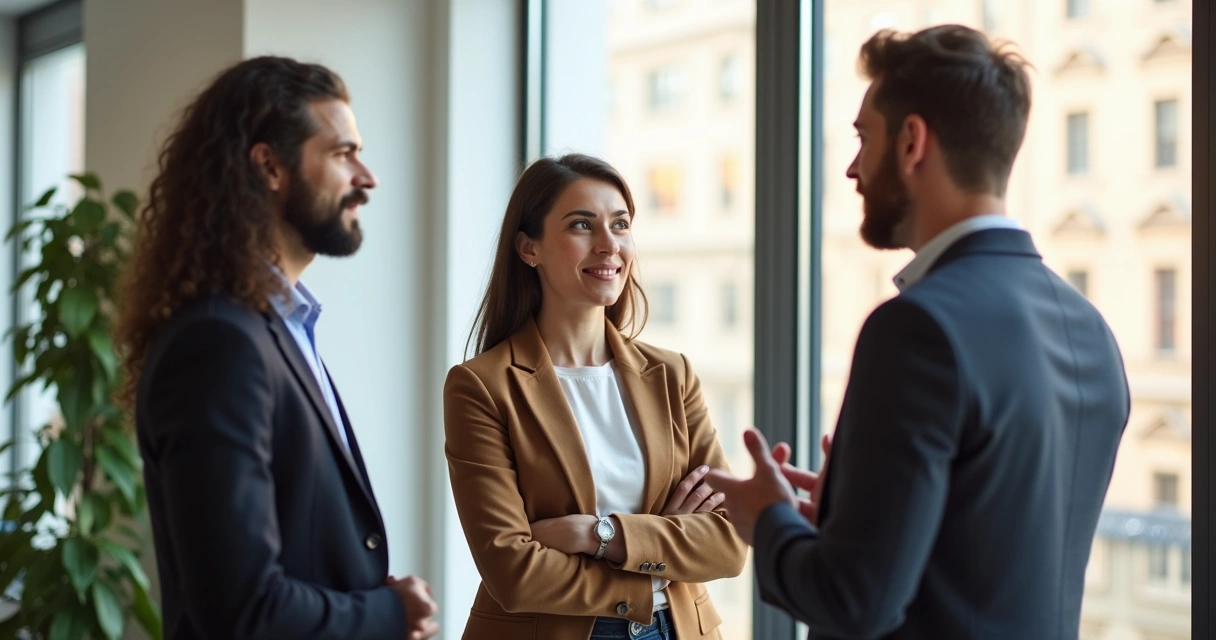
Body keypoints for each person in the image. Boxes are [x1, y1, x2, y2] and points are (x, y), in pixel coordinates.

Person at [706, 25, 1130, 640]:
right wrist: (858, 518)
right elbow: (1000, 559)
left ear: (912, 142)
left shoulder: (915, 330)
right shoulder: (1091, 330)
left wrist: (767, 518)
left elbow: (856, 603)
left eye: (862, 137)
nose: (851, 168)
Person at [114, 56, 439, 640]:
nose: (368, 177)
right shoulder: (217, 344)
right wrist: (390, 614)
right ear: (269, 165)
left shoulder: (279, 328)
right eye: (343, 154)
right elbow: (241, 608)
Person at [443, 154, 747, 640]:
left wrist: (600, 534)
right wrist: (659, 561)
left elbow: (729, 544)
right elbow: (513, 572)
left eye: (621, 224)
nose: (609, 245)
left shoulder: (672, 375)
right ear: (529, 248)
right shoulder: (482, 386)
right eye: (582, 225)